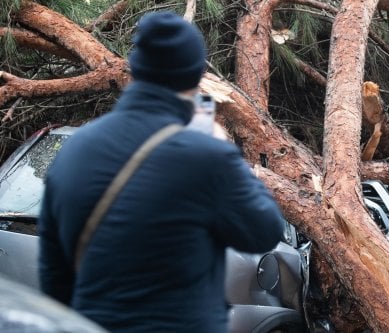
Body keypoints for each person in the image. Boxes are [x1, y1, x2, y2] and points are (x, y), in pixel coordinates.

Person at [37, 11, 285, 333]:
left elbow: (53, 279)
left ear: (135, 68)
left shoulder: (74, 149)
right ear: (196, 75)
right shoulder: (207, 155)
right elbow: (264, 231)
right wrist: (227, 151)